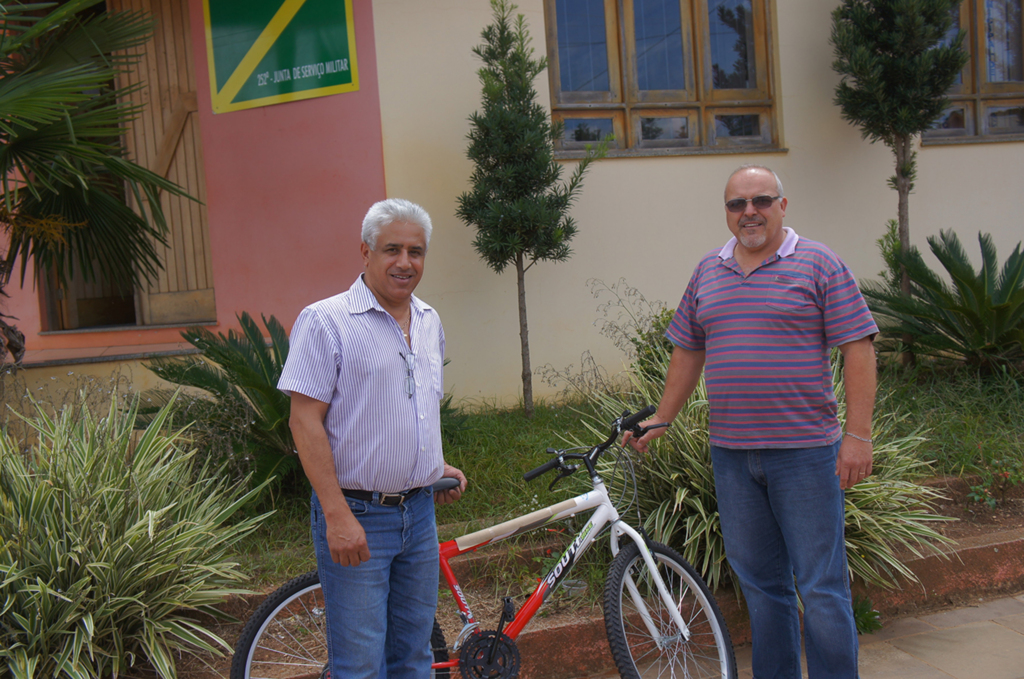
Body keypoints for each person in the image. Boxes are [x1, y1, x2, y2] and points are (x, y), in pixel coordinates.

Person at [626, 165, 877, 678]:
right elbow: (688, 349)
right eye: (736, 204)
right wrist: (662, 418)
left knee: (821, 587)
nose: (749, 213)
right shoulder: (708, 271)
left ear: (783, 205)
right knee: (763, 587)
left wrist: (858, 436)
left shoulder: (818, 263)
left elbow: (859, 347)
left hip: (806, 455)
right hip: (734, 457)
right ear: (727, 212)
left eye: (761, 200)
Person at [278, 198, 467, 679]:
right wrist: (336, 514)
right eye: (392, 250)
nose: (405, 263)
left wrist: (431, 465)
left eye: (416, 251)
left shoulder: (429, 321)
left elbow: (413, 404)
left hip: (419, 515)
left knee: (413, 657)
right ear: (365, 252)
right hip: (357, 515)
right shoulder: (326, 322)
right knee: (360, 665)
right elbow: (304, 422)